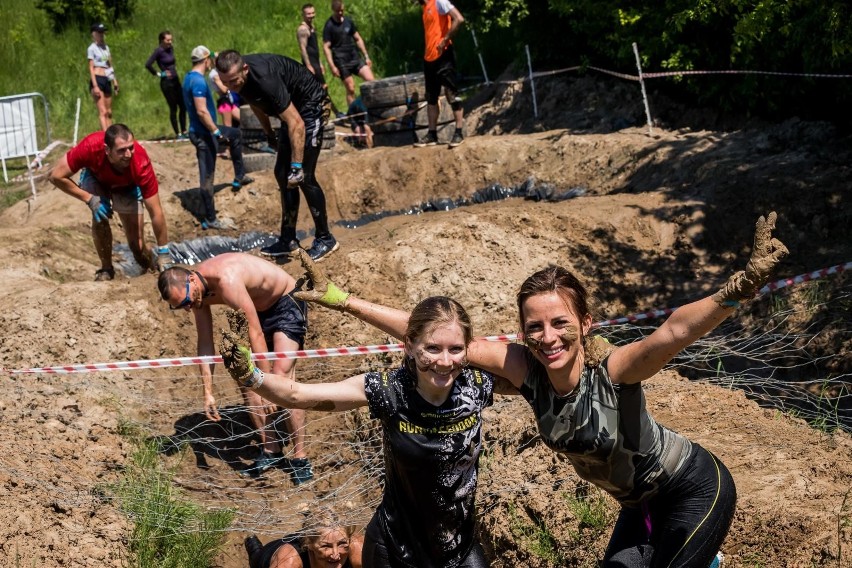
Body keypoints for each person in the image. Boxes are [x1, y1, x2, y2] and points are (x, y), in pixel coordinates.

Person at [291, 213, 790, 567]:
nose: (547, 337)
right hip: (640, 507)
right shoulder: (526, 370)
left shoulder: (615, 372)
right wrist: (342, 299)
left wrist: (736, 290)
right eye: (534, 326)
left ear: (585, 323)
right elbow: (432, 332)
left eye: (559, 323)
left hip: (693, 490)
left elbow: (674, 332)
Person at [219, 275, 519, 567]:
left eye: (455, 349)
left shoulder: (478, 384)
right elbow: (298, 394)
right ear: (410, 345)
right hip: (395, 549)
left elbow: (535, 374)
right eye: (432, 348)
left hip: (457, 548)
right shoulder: (388, 389)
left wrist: (346, 302)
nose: (444, 361)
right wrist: (252, 376)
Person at [157, 253, 313, 484]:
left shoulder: (226, 280)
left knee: (281, 377)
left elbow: (256, 333)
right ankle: (271, 449)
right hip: (258, 309)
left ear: (191, 279)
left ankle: (301, 458)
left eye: (187, 302)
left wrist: (268, 387)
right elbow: (205, 343)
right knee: (248, 381)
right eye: (181, 307)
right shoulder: (198, 294)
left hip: (285, 302)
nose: (189, 308)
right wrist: (207, 391)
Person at [215, 49, 339, 262]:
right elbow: (255, 104)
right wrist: (268, 133)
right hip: (291, 111)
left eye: (234, 81)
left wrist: (297, 166)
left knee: (304, 176)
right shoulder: (239, 81)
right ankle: (288, 239)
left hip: (311, 106)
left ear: (245, 69)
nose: (231, 87)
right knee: (282, 173)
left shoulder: (265, 79)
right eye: (226, 83)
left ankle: (326, 238)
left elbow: (297, 123)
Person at [48, 124, 171, 280]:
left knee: (137, 247)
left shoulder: (140, 162)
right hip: (96, 178)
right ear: (107, 150)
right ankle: (106, 269)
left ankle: (150, 269)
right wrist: (90, 199)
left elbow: (156, 212)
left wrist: (164, 252)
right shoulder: (90, 146)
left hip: (128, 185)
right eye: (121, 150)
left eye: (130, 148)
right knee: (99, 215)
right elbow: (56, 176)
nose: (128, 155)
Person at [182, 45, 254, 231]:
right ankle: (211, 218)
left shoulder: (188, 78)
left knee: (235, 134)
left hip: (203, 130)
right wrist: (215, 132)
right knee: (207, 175)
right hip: (204, 133)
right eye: (210, 60)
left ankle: (239, 175)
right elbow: (201, 110)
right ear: (206, 60)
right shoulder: (198, 81)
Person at [413, 0, 466, 148]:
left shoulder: (439, 2)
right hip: (429, 58)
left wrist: (445, 40)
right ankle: (432, 134)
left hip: (444, 56)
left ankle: (459, 132)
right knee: (431, 97)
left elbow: (459, 18)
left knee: (452, 94)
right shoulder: (425, 7)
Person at [244, 506, 364, 568]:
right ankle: (251, 541)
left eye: (342, 544)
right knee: (256, 555)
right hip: (267, 556)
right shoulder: (288, 562)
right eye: (326, 546)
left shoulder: (359, 550)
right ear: (309, 545)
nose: (336, 554)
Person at [322, 1, 375, 107]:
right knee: (350, 88)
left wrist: (366, 56)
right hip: (341, 61)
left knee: (371, 81)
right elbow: (326, 47)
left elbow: (358, 38)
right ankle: (353, 116)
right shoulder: (329, 26)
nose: (340, 13)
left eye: (342, 10)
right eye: (338, 11)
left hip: (354, 56)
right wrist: (332, 66)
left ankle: (370, 108)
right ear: (333, 10)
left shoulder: (348, 21)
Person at [145, 31, 188, 138]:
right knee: (173, 108)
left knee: (183, 106)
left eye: (171, 40)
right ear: (162, 40)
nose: (170, 42)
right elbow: (148, 64)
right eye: (168, 40)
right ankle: (178, 133)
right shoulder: (159, 51)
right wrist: (159, 74)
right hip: (167, 83)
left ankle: (184, 130)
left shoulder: (170, 49)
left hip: (176, 80)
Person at [87, 22, 118, 131]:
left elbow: (109, 65)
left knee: (109, 112)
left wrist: (114, 81)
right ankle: (105, 137)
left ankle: (111, 136)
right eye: (99, 33)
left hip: (107, 79)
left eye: (103, 33)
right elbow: (91, 67)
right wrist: (95, 85)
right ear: (94, 34)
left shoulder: (106, 48)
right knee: (103, 111)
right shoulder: (92, 48)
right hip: (97, 78)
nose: (102, 35)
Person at [298, 4, 327, 88]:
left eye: (313, 13)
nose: (311, 16)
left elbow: (315, 47)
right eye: (309, 14)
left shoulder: (312, 27)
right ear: (303, 15)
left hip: (315, 61)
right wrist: (308, 65)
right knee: (322, 86)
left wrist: (320, 63)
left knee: (320, 87)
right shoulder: (303, 29)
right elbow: (303, 48)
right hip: (311, 62)